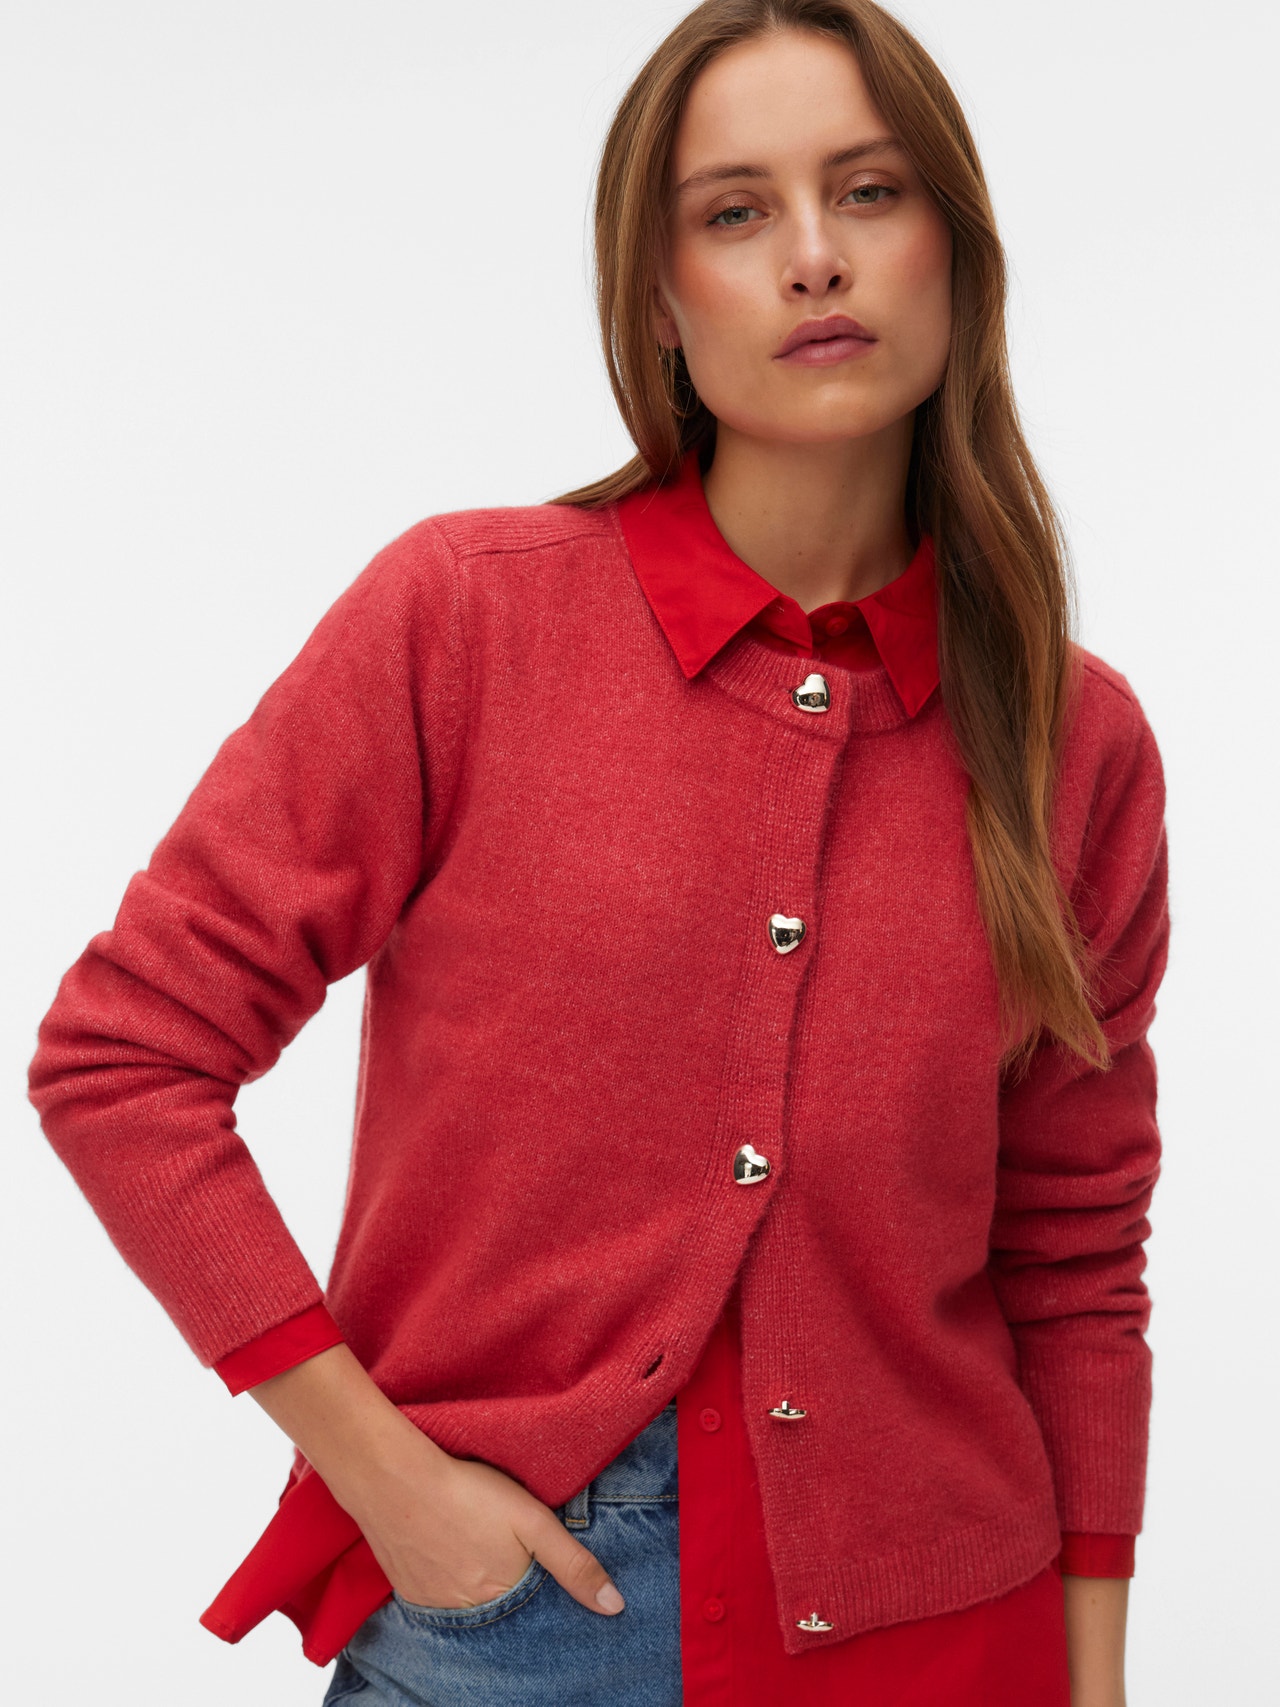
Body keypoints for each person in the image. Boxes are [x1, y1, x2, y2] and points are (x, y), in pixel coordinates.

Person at [27, 1, 1168, 1703]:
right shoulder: (467, 624)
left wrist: (1096, 1681)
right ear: (656, 297)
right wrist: (383, 1479)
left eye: (868, 191)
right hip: (520, 1625)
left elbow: (1074, 1257)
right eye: (736, 210)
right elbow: (122, 1060)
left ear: (957, 249)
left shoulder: (1075, 740)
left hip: (954, 1630)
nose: (812, 256)